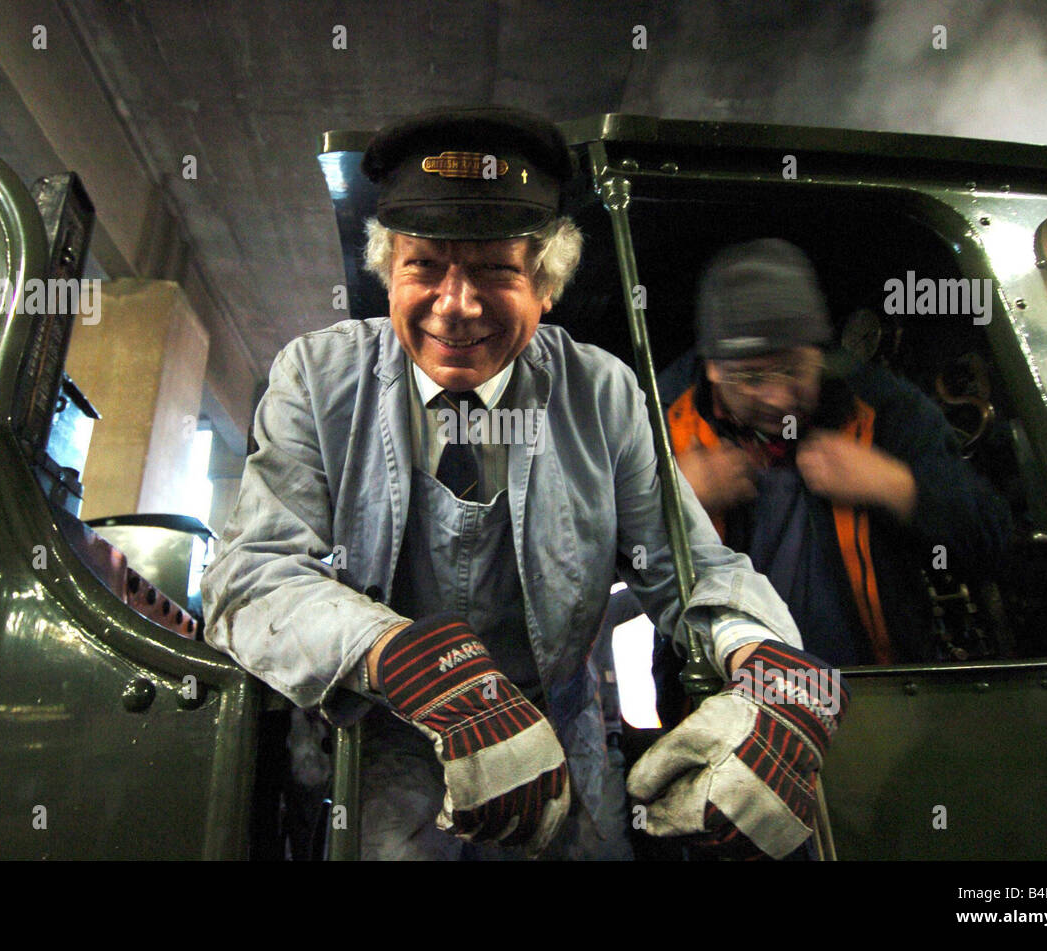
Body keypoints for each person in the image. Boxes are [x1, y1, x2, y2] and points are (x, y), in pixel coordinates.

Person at [202, 108, 846, 861]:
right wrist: (404, 657)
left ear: (546, 284)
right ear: (388, 273)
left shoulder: (602, 395)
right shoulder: (316, 379)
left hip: (561, 753)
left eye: (495, 270)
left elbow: (687, 567)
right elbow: (252, 578)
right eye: (425, 266)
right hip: (379, 755)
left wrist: (763, 656)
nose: (457, 303)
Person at [667, 239, 1013, 668]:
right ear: (713, 367)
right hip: (719, 703)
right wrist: (672, 502)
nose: (776, 398)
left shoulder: (882, 408)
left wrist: (897, 487)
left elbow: (994, 544)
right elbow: (588, 564)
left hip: (876, 696)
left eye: (794, 369)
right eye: (751, 377)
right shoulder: (662, 421)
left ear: (820, 354)